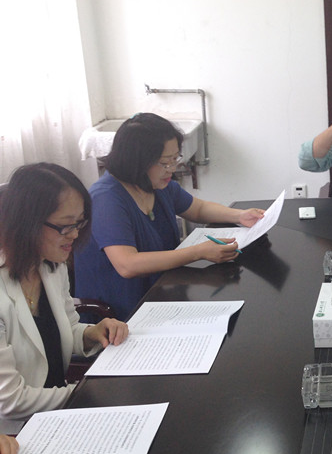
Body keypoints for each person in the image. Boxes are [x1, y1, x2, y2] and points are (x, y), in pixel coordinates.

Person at [73, 113, 265, 321]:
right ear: (137, 161)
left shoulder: (157, 185)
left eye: (175, 159)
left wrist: (240, 215)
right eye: (165, 163)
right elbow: (127, 264)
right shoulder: (105, 199)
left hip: (161, 296)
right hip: (120, 316)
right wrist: (199, 252)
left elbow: (198, 209)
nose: (172, 169)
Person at [0, 163, 129, 421]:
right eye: (65, 226)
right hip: (16, 431)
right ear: (26, 223)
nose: (75, 234)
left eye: (79, 223)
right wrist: (88, 394)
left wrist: (93, 333)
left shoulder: (50, 264)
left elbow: (65, 328)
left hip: (57, 411)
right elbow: (9, 400)